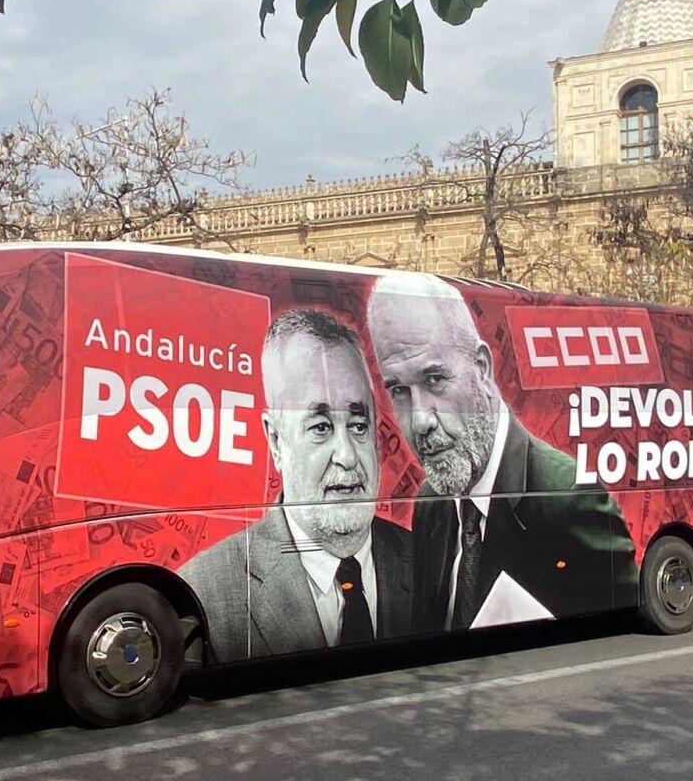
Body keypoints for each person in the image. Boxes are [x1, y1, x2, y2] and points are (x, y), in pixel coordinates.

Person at [366, 274, 635, 632]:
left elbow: (616, 635)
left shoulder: (566, 497)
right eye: (399, 390)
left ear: (482, 368)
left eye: (434, 380)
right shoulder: (431, 504)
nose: (420, 421)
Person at [181, 309, 417, 661]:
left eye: (358, 425)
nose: (347, 456)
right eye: (321, 427)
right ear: (276, 441)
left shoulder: (431, 562)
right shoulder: (204, 594)